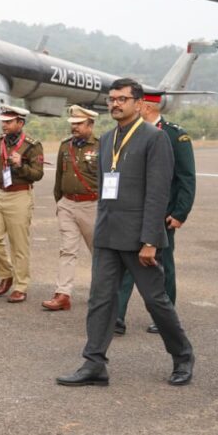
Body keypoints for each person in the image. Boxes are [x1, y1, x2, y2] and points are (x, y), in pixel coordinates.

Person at [57, 78, 194, 387]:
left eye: (122, 99)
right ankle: (94, 363)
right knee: (100, 300)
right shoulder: (106, 139)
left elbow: (158, 193)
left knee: (155, 301)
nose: (115, 103)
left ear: (137, 103)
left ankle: (183, 356)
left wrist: (150, 240)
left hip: (138, 238)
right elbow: (107, 190)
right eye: (112, 99)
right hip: (107, 234)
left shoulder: (154, 139)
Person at [114, 89, 196, 334]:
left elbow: (186, 177)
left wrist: (180, 213)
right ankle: (116, 317)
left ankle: (164, 318)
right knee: (126, 264)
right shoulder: (127, 134)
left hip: (162, 215)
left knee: (162, 267)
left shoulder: (174, 135)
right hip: (131, 213)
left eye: (135, 104)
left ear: (146, 107)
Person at [42, 105, 101, 312]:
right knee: (67, 250)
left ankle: (100, 293)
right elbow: (59, 176)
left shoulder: (102, 147)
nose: (74, 128)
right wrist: (60, 202)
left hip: (92, 205)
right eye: (72, 124)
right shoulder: (65, 146)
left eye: (79, 124)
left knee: (99, 252)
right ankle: (63, 294)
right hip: (67, 204)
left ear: (90, 125)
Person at [0, 105, 44, 303]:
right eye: (3, 121)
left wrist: (21, 165)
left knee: (19, 244)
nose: (4, 125)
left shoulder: (32, 145)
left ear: (20, 123)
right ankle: (6, 275)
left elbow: (38, 174)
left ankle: (20, 286)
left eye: (9, 122)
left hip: (19, 195)